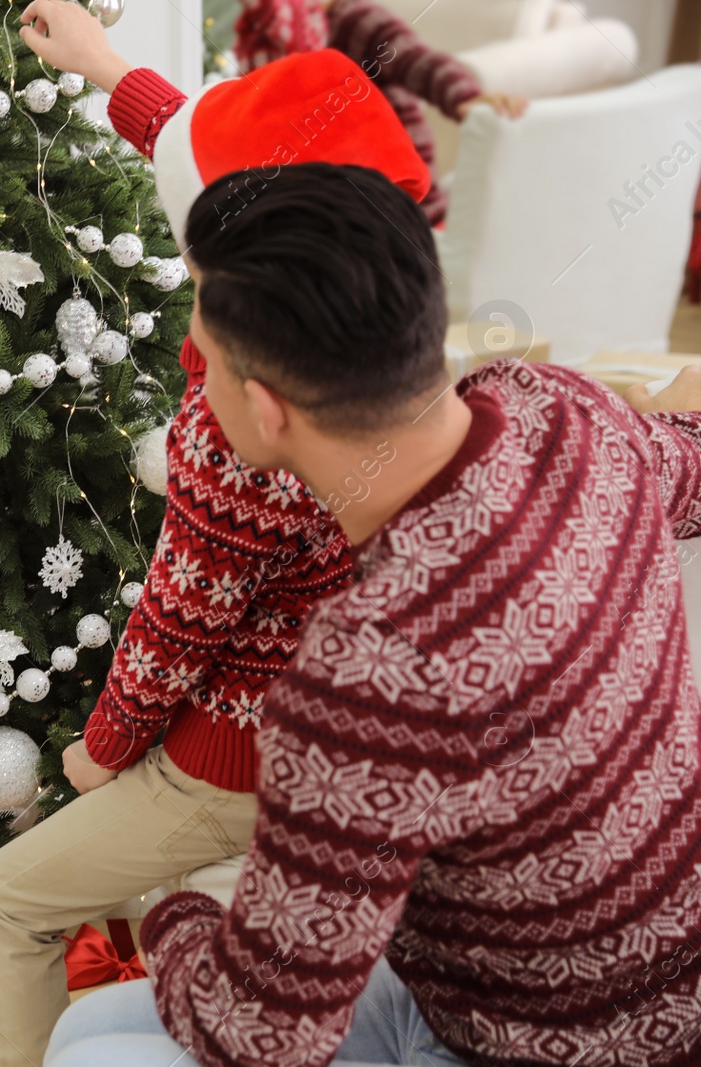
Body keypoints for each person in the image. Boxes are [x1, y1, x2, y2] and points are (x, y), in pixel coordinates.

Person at [46, 160, 701, 1067]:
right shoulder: (563, 409)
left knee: (89, 1057)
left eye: (204, 355)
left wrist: (177, 915)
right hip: (649, 975)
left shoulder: (372, 669)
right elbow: (690, 463)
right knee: (81, 1029)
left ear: (266, 411)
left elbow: (263, 1036)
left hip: (533, 1039)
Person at [0, 12, 435, 1067]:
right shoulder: (376, 305)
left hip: (238, 758)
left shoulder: (240, 429)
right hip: (317, 724)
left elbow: (180, 618)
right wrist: (103, 65)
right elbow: (207, 148)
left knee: (7, 895)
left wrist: (104, 746)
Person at [233, 0, 529, 225]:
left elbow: (413, 57)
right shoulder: (260, 44)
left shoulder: (355, 20)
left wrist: (464, 96)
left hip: (400, 204)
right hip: (331, 203)